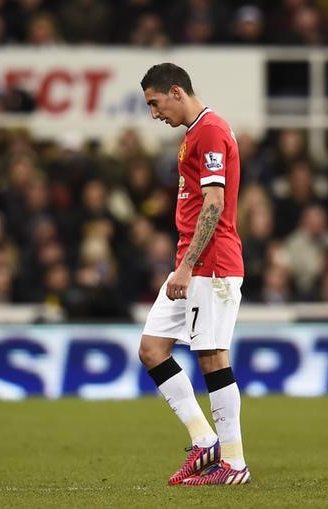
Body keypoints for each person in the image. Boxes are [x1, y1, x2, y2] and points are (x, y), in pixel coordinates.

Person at [138, 63, 250, 486]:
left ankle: (234, 464)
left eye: (155, 103)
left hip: (211, 265)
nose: (154, 114)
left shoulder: (210, 130)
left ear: (176, 91)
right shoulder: (194, 134)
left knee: (212, 356)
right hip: (189, 262)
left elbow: (215, 203)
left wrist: (187, 266)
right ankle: (205, 442)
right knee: (152, 348)